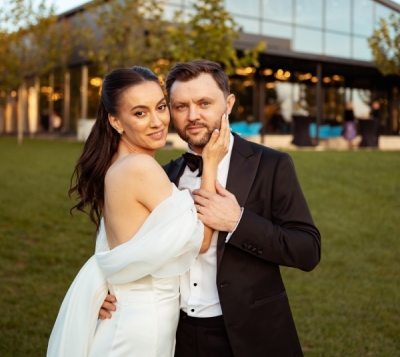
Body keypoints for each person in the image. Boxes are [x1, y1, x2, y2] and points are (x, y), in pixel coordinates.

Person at [100, 60, 321, 357]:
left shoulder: (271, 164)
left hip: (253, 335)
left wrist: (238, 222)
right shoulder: (162, 176)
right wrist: (102, 292)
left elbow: (307, 250)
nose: (193, 116)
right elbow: (127, 243)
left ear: (228, 104)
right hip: (176, 335)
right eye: (180, 106)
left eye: (204, 103)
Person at [47, 66, 231, 357]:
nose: (157, 121)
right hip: (142, 324)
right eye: (140, 113)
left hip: (133, 315)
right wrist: (210, 164)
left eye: (161, 107)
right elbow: (201, 241)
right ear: (115, 121)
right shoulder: (140, 167)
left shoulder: (118, 163)